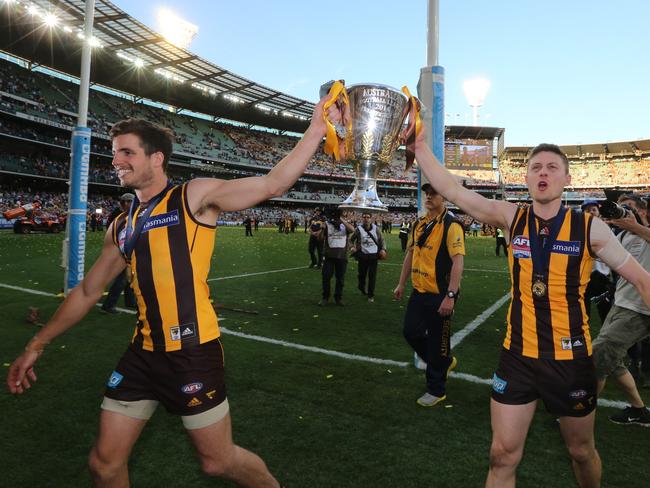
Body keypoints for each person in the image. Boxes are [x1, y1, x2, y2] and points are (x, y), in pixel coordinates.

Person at [7, 95, 341, 488]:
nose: (115, 161)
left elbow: (273, 183)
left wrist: (317, 128)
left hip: (192, 352)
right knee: (103, 464)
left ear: (157, 159)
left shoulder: (193, 197)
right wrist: (37, 343)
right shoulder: (121, 226)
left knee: (217, 462)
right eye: (114, 154)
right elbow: (86, 293)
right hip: (142, 355)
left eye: (126, 153)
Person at [411, 138, 650, 488]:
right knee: (502, 455)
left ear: (566, 180)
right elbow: (454, 191)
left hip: (570, 361)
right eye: (536, 167)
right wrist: (419, 148)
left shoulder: (589, 228)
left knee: (581, 452)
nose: (543, 173)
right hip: (517, 357)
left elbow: (642, 280)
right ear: (526, 178)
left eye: (552, 167)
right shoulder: (511, 217)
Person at [393, 184, 465, 406]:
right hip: (419, 291)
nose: (429, 196)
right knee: (410, 332)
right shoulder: (419, 224)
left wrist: (450, 295)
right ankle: (443, 362)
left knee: (437, 342)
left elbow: (458, 262)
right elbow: (410, 255)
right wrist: (401, 283)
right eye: (427, 193)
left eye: (434, 193)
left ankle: (436, 389)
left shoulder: (452, 226)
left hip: (440, 294)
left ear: (444, 196)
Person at [592, 193, 650, 425]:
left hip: (640, 309)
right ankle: (638, 410)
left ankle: (581, 411)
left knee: (598, 354)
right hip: (621, 303)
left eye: (628, 208)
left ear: (643, 212)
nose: (622, 212)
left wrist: (637, 227)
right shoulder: (624, 236)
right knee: (612, 360)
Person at [101, 193, 137, 313]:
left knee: (129, 277)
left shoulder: (124, 214)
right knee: (122, 279)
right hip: (120, 250)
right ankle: (108, 306)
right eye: (126, 202)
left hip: (124, 249)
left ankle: (130, 301)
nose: (128, 204)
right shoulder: (121, 215)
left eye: (129, 201)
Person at [581, 200, 613, 323]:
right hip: (585, 276)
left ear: (599, 212)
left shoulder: (607, 229)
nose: (591, 212)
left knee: (605, 312)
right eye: (588, 210)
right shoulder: (578, 230)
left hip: (602, 276)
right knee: (584, 311)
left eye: (594, 209)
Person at [319, 207, 354, 306]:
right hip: (329, 256)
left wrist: (341, 219)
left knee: (340, 279)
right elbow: (320, 238)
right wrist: (322, 229)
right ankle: (325, 297)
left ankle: (338, 298)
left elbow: (352, 230)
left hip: (342, 256)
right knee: (326, 277)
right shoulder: (327, 224)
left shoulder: (344, 225)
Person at [351, 211, 387, 303]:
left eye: (368, 217)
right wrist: (352, 247)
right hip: (362, 255)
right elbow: (350, 240)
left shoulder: (376, 229)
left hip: (373, 256)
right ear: (362, 218)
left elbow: (382, 240)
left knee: (372, 276)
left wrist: (383, 249)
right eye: (364, 217)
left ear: (371, 219)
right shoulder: (358, 229)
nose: (366, 219)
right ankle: (361, 286)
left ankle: (370, 295)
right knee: (362, 275)